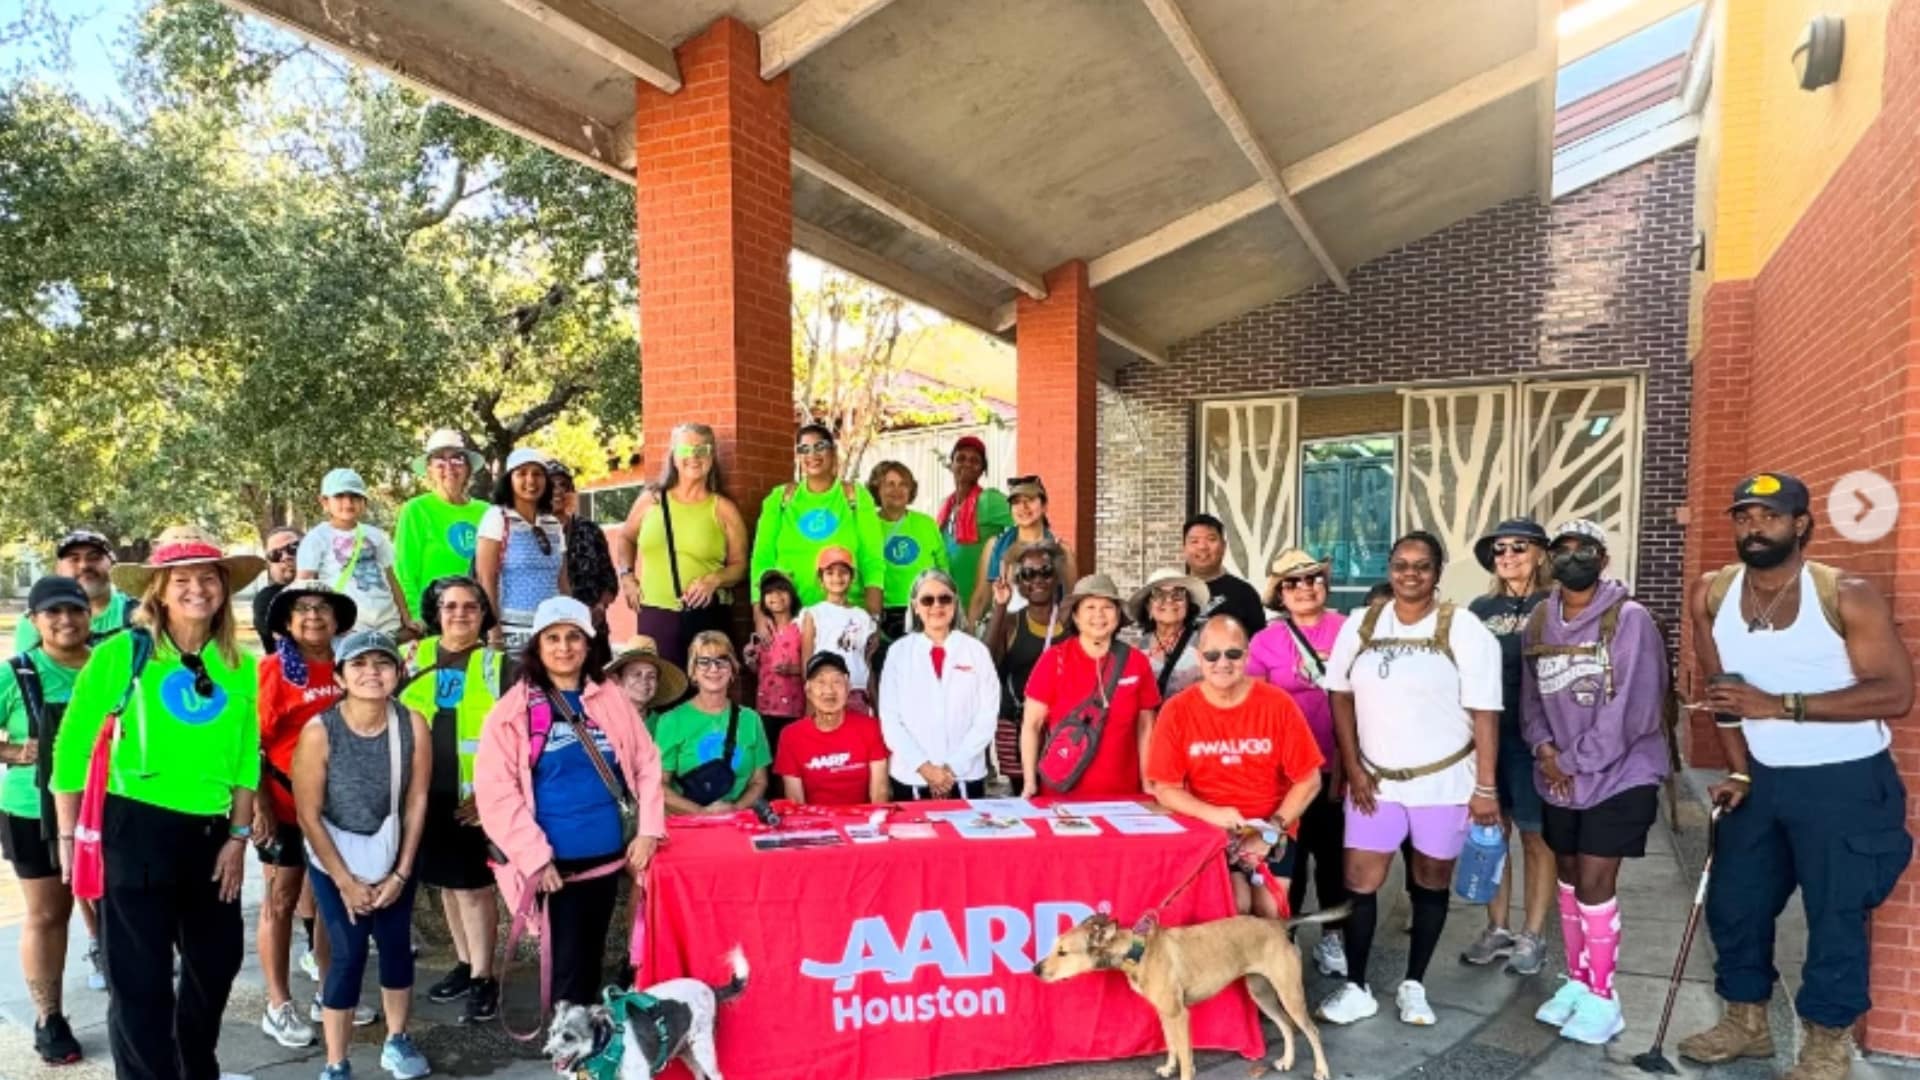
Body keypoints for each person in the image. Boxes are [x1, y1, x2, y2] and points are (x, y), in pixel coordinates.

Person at [1678, 473, 1914, 1079]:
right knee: (1736, 903)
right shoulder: (1712, 592)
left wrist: (1782, 705)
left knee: (1835, 913)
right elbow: (1724, 695)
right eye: (1744, 516)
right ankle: (1747, 1022)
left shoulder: (1845, 593)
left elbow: (1896, 693)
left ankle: (1827, 1043)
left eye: (1770, 516)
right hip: (1763, 780)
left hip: (1844, 781)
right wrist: (1737, 766)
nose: (1754, 528)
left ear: (1801, 523)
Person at [50, 525, 264, 1080]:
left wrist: (238, 839)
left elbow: (246, 758)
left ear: (224, 588)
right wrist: (70, 838)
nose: (198, 589)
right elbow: (70, 750)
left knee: (216, 965)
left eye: (209, 578)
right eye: (183, 579)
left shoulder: (240, 665)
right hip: (135, 827)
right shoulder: (123, 653)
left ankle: (194, 1066)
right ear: (160, 591)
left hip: (211, 834)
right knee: (139, 980)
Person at [1317, 530, 1503, 1029]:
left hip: (1444, 782)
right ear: (1390, 567)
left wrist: (1485, 788)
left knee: (1431, 880)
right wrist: (1352, 767)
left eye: (1422, 566)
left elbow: (1486, 712)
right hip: (1375, 783)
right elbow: (1339, 694)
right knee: (1360, 882)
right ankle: (1356, 985)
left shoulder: (1464, 629)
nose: (1410, 574)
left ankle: (1414, 983)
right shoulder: (1361, 623)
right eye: (1401, 564)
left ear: (1437, 572)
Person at [476, 596, 667, 1012]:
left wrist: (650, 830)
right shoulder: (514, 711)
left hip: (606, 855)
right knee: (566, 966)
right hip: (553, 865)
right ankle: (569, 1061)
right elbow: (495, 791)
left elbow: (647, 761)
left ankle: (585, 1051)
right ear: (538, 646)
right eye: (554, 638)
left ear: (588, 644)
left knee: (591, 957)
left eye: (574, 637)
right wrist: (533, 857)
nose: (564, 647)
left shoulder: (609, 698)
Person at [1519, 520, 1669, 1046]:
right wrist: (1544, 750)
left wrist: (1573, 761)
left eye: (1585, 550)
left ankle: (1606, 997)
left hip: (1619, 775)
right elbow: (1531, 697)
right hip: (1558, 772)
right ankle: (1579, 981)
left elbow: (1635, 708)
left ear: (1604, 559)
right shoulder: (1542, 617)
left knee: (1595, 880)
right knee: (1565, 873)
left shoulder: (1629, 620)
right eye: (1563, 549)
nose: (1573, 557)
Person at [292, 629, 433, 1080]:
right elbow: (308, 815)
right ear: (340, 676)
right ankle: (336, 1062)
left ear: (398, 671)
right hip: (335, 855)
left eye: (383, 663)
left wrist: (401, 872)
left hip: (392, 852)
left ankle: (397, 1038)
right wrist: (346, 882)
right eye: (359, 664)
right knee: (348, 953)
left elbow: (417, 799)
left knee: (396, 948)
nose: (372, 673)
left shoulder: (412, 724)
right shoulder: (320, 731)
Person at [1147, 615, 1325, 918]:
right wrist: (1215, 817)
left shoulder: (1277, 704)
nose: (1223, 663)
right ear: (1200, 659)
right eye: (1212, 655)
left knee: (1269, 909)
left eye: (1233, 653)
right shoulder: (1177, 710)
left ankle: (1273, 958)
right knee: (1234, 906)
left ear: (1246, 656)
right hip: (1209, 830)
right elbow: (1165, 789)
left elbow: (1309, 781)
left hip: (1272, 825)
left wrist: (1270, 831)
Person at [396, 576, 506, 1024]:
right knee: (445, 884)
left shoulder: (499, 665)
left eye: (470, 607)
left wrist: (491, 795)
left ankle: (484, 978)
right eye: (450, 606)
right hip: (424, 795)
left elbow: (514, 739)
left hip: (473, 799)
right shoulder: (411, 658)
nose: (459, 614)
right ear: (436, 613)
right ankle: (464, 963)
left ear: (483, 615)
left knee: (475, 890)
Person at [255, 582, 358, 1048]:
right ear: (287, 623)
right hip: (282, 806)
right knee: (280, 903)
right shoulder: (274, 672)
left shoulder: (348, 667)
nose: (313, 617)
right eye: (302, 610)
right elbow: (250, 746)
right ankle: (278, 1005)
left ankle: (327, 994)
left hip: (339, 809)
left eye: (322, 609)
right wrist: (258, 808)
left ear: (337, 621)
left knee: (330, 906)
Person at [1, 577, 97, 1063]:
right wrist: (16, 750)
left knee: (124, 912)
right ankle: (49, 1017)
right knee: (46, 914)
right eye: (53, 612)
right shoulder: (16, 673)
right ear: (34, 620)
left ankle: (137, 1004)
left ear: (90, 615)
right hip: (31, 811)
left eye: (74, 610)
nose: (65, 621)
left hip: (111, 807)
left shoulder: (112, 664)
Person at [1246, 549, 1349, 976]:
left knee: (1334, 859)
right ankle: (1283, 938)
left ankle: (1332, 938)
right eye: (1294, 582)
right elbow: (1253, 706)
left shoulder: (1348, 630)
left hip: (1338, 762)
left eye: (1312, 579)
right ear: (1280, 594)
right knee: (1290, 856)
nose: (1305, 588)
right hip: (1285, 773)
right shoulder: (1265, 640)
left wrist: (1352, 765)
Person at [1460, 518, 1556, 976]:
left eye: (1519, 547)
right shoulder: (1479, 608)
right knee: (1492, 832)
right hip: (1489, 732)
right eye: (1500, 550)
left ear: (1540, 553)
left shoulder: (1555, 603)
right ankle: (1497, 927)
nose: (1509, 557)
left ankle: (1533, 933)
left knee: (1537, 836)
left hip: (1537, 736)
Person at [614, 422, 749, 668]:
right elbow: (626, 538)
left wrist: (714, 580)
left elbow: (740, 566)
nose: (694, 457)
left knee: (704, 694)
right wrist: (626, 576)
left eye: (702, 449)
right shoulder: (650, 500)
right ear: (673, 456)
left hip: (703, 617)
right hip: (654, 615)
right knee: (657, 691)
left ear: (712, 457)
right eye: (686, 450)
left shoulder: (723, 508)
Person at [1019, 574, 1160, 797]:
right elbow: (1031, 725)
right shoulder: (1054, 660)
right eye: (1090, 607)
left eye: (1107, 607)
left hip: (1125, 795)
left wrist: (1147, 782)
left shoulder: (1136, 662)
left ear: (1118, 614)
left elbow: (1146, 727)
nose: (1099, 615)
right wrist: (1029, 782)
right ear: (1075, 616)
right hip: (1062, 794)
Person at [879, 569, 998, 800]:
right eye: (927, 600)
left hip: (965, 775)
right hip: (912, 775)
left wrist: (950, 769)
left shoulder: (976, 651)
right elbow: (890, 719)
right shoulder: (898, 653)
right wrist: (926, 769)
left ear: (955, 603)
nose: (936, 606)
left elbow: (987, 716)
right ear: (915, 606)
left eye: (944, 598)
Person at [749, 422, 885, 624]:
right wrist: (759, 613)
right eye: (804, 449)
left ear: (833, 451)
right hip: (790, 616)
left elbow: (872, 558)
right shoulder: (780, 499)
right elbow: (762, 558)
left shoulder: (855, 496)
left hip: (845, 617)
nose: (812, 454)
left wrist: (872, 616)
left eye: (819, 446)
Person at [984, 541, 1070, 793]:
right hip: (1017, 725)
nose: (1038, 580)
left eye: (1045, 571)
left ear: (1056, 577)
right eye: (1028, 574)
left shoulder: (1070, 621)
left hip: (1064, 726)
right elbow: (985, 663)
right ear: (1018, 583)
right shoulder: (1011, 622)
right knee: (1027, 794)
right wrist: (1000, 606)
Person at [655, 631, 772, 813]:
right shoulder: (671, 721)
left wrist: (735, 809)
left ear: (732, 668)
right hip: (689, 825)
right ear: (693, 671)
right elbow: (658, 785)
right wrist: (702, 813)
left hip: (737, 823)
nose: (714, 668)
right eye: (704, 662)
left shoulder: (751, 719)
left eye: (721, 661)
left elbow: (759, 781)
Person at [297, 468, 417, 639]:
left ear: (364, 502)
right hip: (347, 627)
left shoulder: (376, 535)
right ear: (324, 502)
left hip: (388, 623)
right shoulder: (316, 538)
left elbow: (391, 579)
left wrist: (406, 617)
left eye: (355, 497)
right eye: (339, 496)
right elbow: (304, 585)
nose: (348, 503)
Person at [477, 448, 570, 656]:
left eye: (537, 474)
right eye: (522, 473)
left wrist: (571, 623)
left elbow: (562, 581)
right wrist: (495, 634)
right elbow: (486, 579)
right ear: (509, 479)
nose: (531, 480)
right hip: (511, 634)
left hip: (552, 630)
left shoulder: (553, 523)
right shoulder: (497, 517)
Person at [393, 428, 490, 622]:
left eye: (457, 459)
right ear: (429, 469)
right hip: (432, 617)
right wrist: (415, 617)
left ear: (468, 468)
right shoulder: (416, 510)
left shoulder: (487, 512)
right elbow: (404, 571)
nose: (449, 466)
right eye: (440, 460)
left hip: (476, 616)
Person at [775, 653, 890, 806]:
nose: (829, 690)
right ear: (808, 690)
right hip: (816, 825)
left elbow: (879, 793)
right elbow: (796, 800)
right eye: (820, 682)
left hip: (861, 823)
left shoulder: (871, 728)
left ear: (848, 687)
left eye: (837, 681)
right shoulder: (791, 736)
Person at [967, 476, 1071, 627]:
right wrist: (970, 637)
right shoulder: (995, 546)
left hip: (1048, 636)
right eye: (1016, 502)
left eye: (1030, 499)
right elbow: (981, 598)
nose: (1023, 507)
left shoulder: (1062, 550)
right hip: (1004, 634)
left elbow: (1071, 601)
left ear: (1044, 505)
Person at [16, 529, 139, 652]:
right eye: (73, 559)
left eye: (94, 557)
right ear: (58, 568)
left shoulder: (140, 612)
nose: (84, 565)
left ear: (112, 564)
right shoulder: (38, 619)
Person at [547, 461, 619, 662]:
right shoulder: (532, 532)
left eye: (564, 485)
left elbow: (610, 580)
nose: (558, 491)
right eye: (552, 485)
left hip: (592, 628)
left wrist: (599, 607)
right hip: (553, 632)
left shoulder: (590, 530)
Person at [869, 459, 948, 641]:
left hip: (923, 611)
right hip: (882, 613)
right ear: (877, 488)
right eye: (890, 484)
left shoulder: (926, 524)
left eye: (903, 484)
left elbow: (943, 569)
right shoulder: (868, 524)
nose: (897, 490)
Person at [936, 435, 1011, 616]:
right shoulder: (946, 505)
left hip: (978, 608)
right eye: (960, 458)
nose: (967, 464)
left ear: (982, 469)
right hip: (946, 604)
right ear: (951, 464)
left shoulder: (989, 499)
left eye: (974, 460)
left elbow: (1026, 523)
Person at [801, 547, 879, 713]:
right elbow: (807, 660)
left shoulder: (863, 616)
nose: (837, 578)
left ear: (852, 577)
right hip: (825, 692)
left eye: (843, 572)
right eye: (830, 572)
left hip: (857, 689)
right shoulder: (814, 614)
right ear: (821, 578)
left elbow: (867, 660)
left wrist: (874, 699)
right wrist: (810, 699)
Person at [744, 570, 804, 758]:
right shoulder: (763, 632)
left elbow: (813, 665)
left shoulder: (802, 627)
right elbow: (758, 669)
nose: (776, 596)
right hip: (767, 705)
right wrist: (750, 659)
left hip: (796, 706)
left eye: (781, 590)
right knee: (769, 758)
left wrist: (793, 670)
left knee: (793, 757)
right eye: (769, 592)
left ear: (792, 596)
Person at [1125, 567, 1208, 699]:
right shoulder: (1136, 650)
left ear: (1188, 604)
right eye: (1158, 595)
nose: (1169, 601)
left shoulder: (1205, 644)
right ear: (1148, 607)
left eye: (1178, 594)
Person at [1182, 513, 1268, 634]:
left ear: (1223, 547)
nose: (1202, 547)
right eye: (1194, 541)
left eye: (1211, 539)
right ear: (1184, 549)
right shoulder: (1175, 593)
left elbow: (1259, 645)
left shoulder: (1245, 593)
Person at [605, 636, 687, 739]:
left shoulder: (667, 725)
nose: (644, 681)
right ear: (617, 680)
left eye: (651, 676)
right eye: (636, 674)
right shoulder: (602, 722)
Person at [252, 526, 302, 652]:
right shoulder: (266, 599)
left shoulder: (333, 587)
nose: (285, 557)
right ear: (269, 564)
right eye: (275, 554)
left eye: (293, 548)